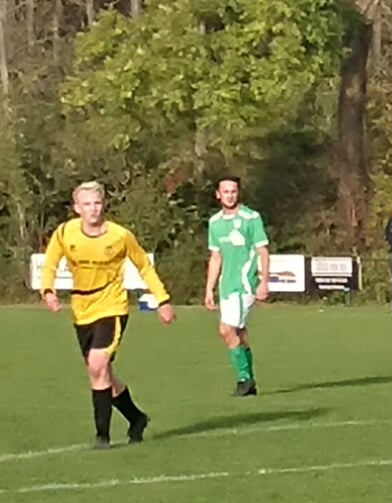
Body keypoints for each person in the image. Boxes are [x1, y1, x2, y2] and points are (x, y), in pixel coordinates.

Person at [39, 182, 176, 448]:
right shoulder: (65, 233)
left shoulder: (120, 236)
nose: (93, 209)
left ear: (104, 205)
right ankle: (136, 418)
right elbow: (51, 263)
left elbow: (144, 267)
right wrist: (48, 291)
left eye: (97, 203)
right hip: (81, 308)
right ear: (77, 208)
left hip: (112, 306)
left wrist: (163, 300)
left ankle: (102, 436)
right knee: (102, 374)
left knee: (97, 365)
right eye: (87, 204)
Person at [202, 176, 270, 397]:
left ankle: (244, 380)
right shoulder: (215, 222)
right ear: (218, 194)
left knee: (226, 329)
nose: (230, 195)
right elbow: (216, 257)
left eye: (233, 191)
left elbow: (262, 251)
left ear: (238, 193)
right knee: (239, 331)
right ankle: (249, 381)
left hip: (244, 284)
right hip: (226, 286)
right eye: (225, 191)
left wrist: (264, 281)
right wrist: (209, 289)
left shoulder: (251, 218)